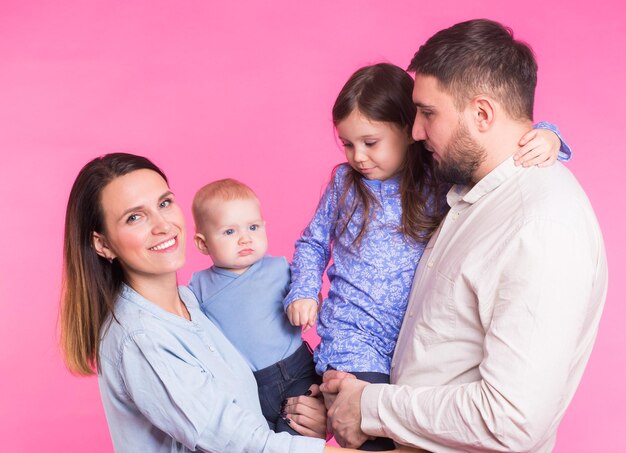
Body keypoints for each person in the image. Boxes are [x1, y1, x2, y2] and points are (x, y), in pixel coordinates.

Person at [321, 19, 608, 453]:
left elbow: (511, 420)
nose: (415, 132)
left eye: (429, 114)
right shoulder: (469, 197)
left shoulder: (541, 227)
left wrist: (371, 405)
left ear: (481, 114)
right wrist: (354, 394)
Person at [58, 152, 373, 452]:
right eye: (135, 217)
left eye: (164, 203)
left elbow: (258, 419)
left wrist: (311, 417)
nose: (162, 225)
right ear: (103, 244)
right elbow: (239, 443)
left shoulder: (194, 304)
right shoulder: (141, 338)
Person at [188, 178, 320, 435]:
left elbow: (309, 294)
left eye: (253, 227)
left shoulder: (280, 268)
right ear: (203, 244)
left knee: (297, 435)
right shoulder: (198, 286)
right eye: (229, 232)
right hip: (246, 387)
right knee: (256, 441)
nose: (245, 238)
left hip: (296, 372)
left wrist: (308, 301)